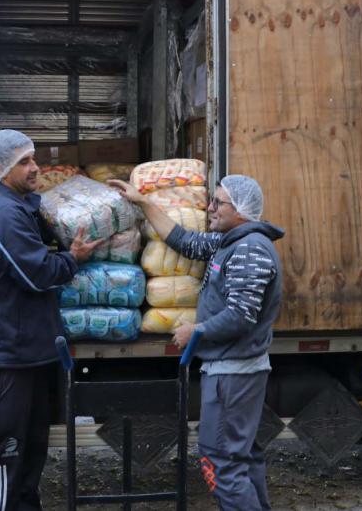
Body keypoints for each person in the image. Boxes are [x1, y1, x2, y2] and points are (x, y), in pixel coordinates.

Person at [109, 175, 284, 511]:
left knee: (220, 459)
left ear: (242, 210)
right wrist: (144, 202)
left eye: (218, 202)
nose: (210, 207)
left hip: (234, 372)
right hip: (232, 370)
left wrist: (197, 330)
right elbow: (185, 241)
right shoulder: (230, 242)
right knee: (241, 456)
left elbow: (241, 316)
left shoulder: (249, 248)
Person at [0, 129, 101, 511]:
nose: (34, 167)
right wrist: (73, 259)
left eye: (33, 158)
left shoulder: (20, 206)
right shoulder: (4, 213)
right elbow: (35, 273)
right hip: (4, 353)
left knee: (31, 448)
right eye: (24, 161)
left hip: (27, 351)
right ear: (2, 168)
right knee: (6, 450)